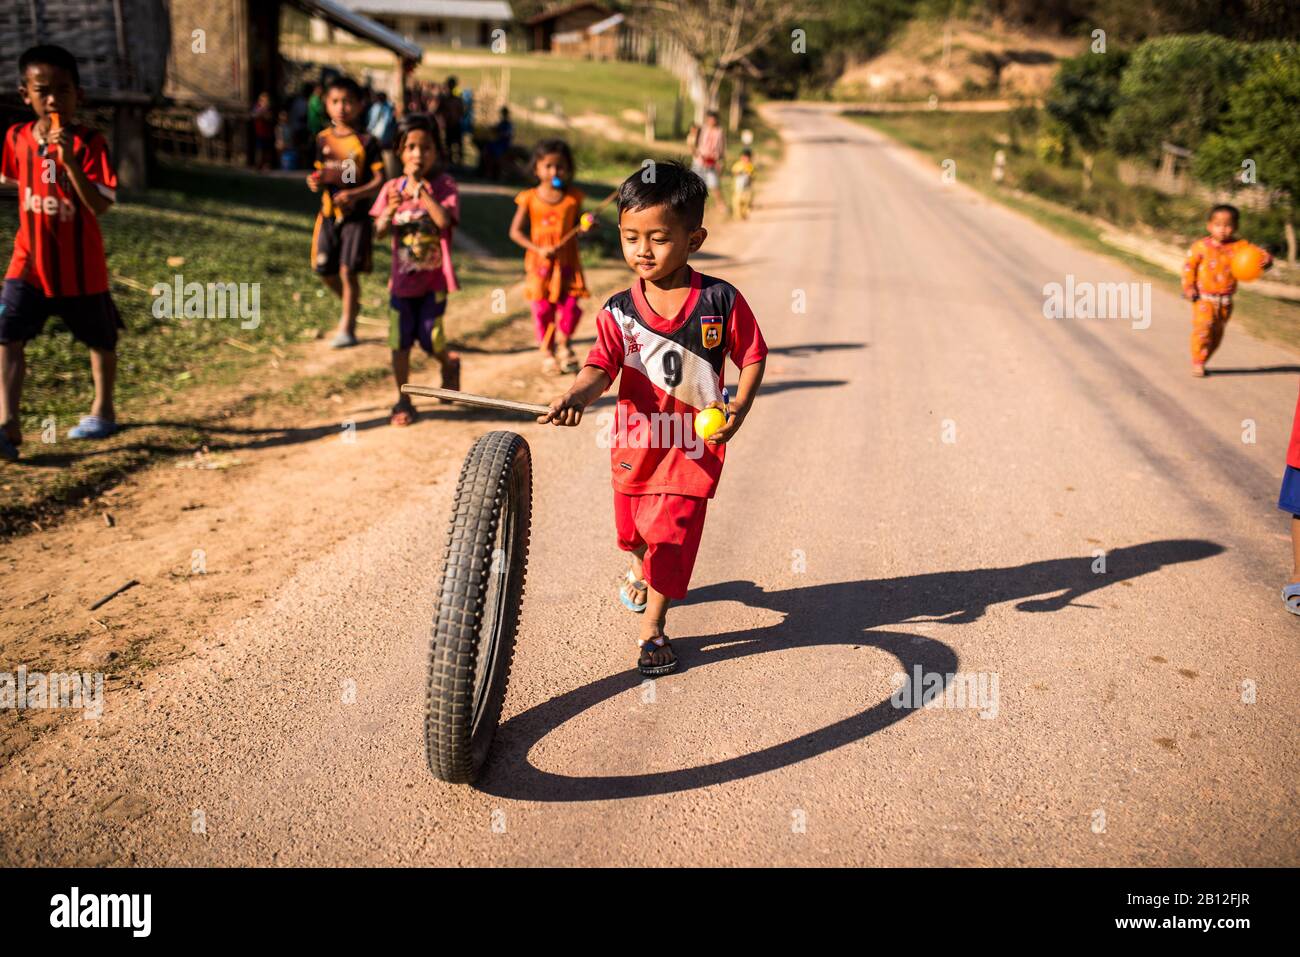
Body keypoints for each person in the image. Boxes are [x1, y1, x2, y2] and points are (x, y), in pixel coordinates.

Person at [537, 161, 768, 675]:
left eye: (658, 238)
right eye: (630, 237)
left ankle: (653, 632)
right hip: (635, 444)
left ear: (694, 239)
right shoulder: (619, 309)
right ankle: (636, 567)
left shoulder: (720, 301)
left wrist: (739, 407)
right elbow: (600, 364)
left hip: (693, 449)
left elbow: (752, 356)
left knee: (671, 535)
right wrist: (577, 393)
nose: (642, 251)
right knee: (633, 535)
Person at [0, 44, 123, 461]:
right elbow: (16, 184)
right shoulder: (16, 138)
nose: (54, 100)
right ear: (25, 95)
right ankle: (7, 424)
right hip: (28, 263)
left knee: (101, 340)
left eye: (64, 90)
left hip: (81, 269)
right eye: (43, 90)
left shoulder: (90, 143)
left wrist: (68, 163)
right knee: (8, 335)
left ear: (79, 95)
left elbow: (101, 205)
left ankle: (103, 411)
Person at [371, 115, 461, 427]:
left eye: (425, 147)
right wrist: (390, 211)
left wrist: (422, 192)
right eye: (410, 147)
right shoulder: (391, 188)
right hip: (400, 285)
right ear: (399, 151)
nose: (418, 154)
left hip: (433, 282)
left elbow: (444, 221)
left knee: (430, 339)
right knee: (399, 343)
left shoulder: (445, 186)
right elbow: (379, 231)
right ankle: (403, 399)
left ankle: (448, 363)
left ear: (436, 152)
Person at [306, 75, 385, 349]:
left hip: (357, 218)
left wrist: (354, 194)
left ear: (360, 105)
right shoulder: (322, 139)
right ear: (326, 104)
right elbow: (320, 171)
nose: (342, 107)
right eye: (336, 101)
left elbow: (379, 180)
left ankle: (347, 326)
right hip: (328, 216)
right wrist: (314, 181)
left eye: (348, 102)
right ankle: (352, 305)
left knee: (348, 271)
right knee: (324, 269)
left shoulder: (366, 142)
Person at [508, 139, 592, 375]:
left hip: (567, 262)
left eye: (560, 166)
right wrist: (537, 249)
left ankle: (565, 345)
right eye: (548, 166)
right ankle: (547, 351)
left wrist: (586, 228)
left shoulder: (573, 198)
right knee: (542, 309)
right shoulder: (529, 198)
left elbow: (579, 228)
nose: (554, 171)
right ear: (536, 168)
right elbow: (514, 231)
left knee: (570, 306)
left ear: (568, 168)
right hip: (540, 265)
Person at [1182, 204, 1272, 377]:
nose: (1223, 230)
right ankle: (1198, 361)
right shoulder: (1201, 246)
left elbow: (1258, 257)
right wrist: (1189, 287)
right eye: (1218, 225)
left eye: (1228, 225)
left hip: (1226, 300)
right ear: (1209, 226)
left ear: (1236, 227)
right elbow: (1189, 267)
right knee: (1203, 328)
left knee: (1216, 335)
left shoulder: (1240, 247)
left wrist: (1266, 261)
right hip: (1203, 298)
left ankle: (1204, 357)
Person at [690, 110, 727, 217]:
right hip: (700, 160)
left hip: (712, 161)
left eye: (713, 119)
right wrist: (696, 153)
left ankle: (720, 205)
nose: (711, 121)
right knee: (697, 184)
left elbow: (722, 148)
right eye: (710, 119)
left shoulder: (720, 131)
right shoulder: (702, 129)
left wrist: (721, 161)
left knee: (714, 184)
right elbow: (693, 142)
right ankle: (699, 207)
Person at [365, 90, 398, 179]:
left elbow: (387, 124)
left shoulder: (387, 108)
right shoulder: (377, 108)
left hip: (383, 140)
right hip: (378, 138)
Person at [251, 91, 275, 170]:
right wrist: (261, 111)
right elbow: (254, 115)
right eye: (263, 100)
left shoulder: (269, 109)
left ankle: (266, 165)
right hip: (259, 132)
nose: (264, 102)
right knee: (259, 149)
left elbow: (270, 118)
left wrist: (265, 113)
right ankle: (258, 165)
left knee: (267, 150)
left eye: (266, 100)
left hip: (267, 133)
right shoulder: (257, 107)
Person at [731, 147, 755, 220]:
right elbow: (734, 172)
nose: (745, 159)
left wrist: (749, 175)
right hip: (738, 188)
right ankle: (737, 216)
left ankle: (744, 214)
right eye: (744, 157)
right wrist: (739, 173)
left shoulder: (750, 166)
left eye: (747, 157)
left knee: (747, 202)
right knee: (737, 202)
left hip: (747, 189)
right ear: (741, 157)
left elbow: (753, 176)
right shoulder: (737, 165)